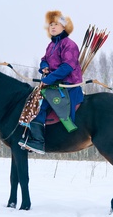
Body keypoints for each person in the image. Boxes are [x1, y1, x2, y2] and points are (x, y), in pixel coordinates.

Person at [19, 10, 84, 154]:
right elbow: (44, 60)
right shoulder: (51, 45)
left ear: (64, 27)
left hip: (67, 84)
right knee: (32, 100)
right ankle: (30, 135)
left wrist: (49, 78)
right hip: (53, 83)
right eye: (51, 25)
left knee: (39, 105)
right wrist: (44, 68)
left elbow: (67, 66)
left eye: (56, 24)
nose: (53, 27)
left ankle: (38, 141)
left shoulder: (69, 44)